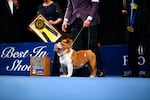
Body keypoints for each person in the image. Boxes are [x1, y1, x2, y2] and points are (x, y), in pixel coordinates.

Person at [61, 0, 105, 77]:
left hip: (90, 21)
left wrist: (89, 19)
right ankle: (79, 71)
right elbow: (70, 6)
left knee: (92, 45)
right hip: (75, 20)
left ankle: (99, 70)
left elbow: (95, 4)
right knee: (76, 46)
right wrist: (65, 20)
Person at [122, 0, 150, 77]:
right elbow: (132, 4)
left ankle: (149, 70)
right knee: (132, 46)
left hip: (145, 22)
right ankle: (134, 70)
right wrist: (127, 9)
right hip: (133, 24)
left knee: (147, 45)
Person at [36, 0, 63, 76]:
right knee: (42, 50)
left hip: (53, 32)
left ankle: (55, 72)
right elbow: (37, 18)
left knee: (55, 51)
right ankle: (41, 71)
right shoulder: (40, 6)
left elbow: (61, 17)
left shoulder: (55, 4)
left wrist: (54, 22)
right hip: (42, 33)